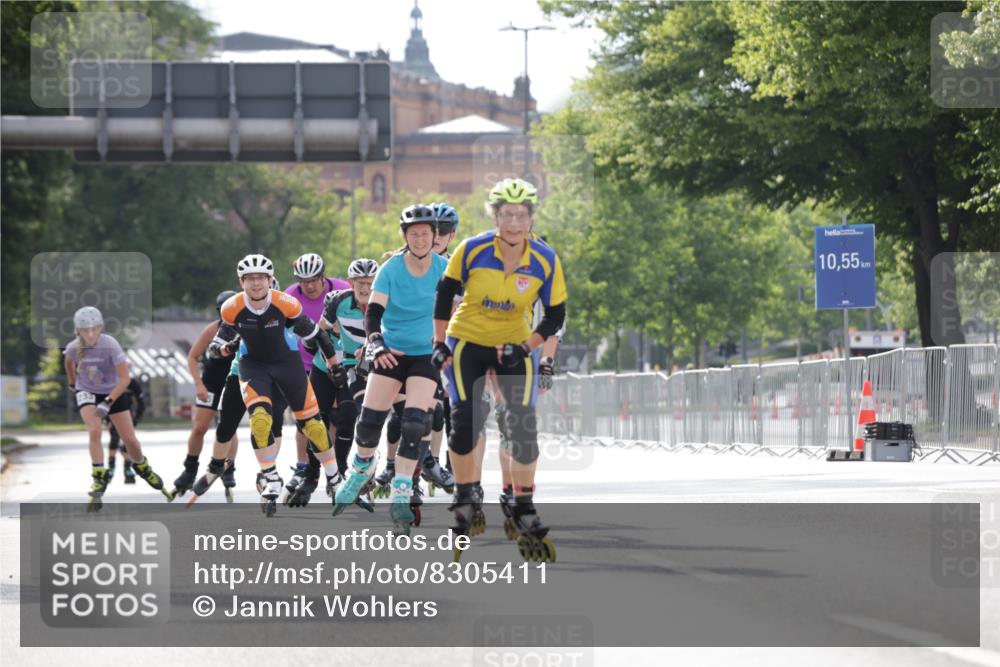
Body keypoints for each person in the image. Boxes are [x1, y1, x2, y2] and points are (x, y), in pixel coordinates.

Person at [432, 178, 566, 561]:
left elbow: (556, 315)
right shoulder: (471, 249)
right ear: (495, 216)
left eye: (521, 215)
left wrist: (527, 347)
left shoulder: (544, 259)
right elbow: (444, 295)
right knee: (466, 420)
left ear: (530, 218)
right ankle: (465, 497)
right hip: (467, 342)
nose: (513, 222)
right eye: (506, 214)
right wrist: (438, 342)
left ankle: (523, 507)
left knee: (521, 425)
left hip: (515, 346)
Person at [192, 254, 342, 516]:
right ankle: (271, 477)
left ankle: (334, 478)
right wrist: (224, 348)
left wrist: (335, 365)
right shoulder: (232, 307)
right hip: (254, 366)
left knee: (314, 427)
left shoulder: (286, 303)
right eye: (250, 278)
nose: (256, 283)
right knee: (260, 420)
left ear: (271, 280)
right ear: (241, 282)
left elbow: (317, 335)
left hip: (287, 363)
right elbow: (216, 346)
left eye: (261, 278)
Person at [332, 204, 448, 536]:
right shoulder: (391, 269)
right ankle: (360, 469)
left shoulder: (444, 268)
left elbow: (456, 311)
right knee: (368, 426)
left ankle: (400, 493)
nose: (421, 239)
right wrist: (376, 342)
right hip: (391, 352)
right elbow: (373, 312)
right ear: (405, 236)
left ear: (434, 236)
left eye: (426, 234)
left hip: (425, 354)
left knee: (414, 423)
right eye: (414, 234)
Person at [64, 306, 173, 511]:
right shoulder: (72, 347)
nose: (90, 334)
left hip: (113, 391)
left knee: (129, 439)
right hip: (87, 391)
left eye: (94, 329)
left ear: (100, 328)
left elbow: (125, 379)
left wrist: (108, 402)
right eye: (85, 330)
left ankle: (142, 465)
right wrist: (73, 383)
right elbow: (69, 361)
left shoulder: (110, 345)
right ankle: (98, 475)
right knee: (94, 430)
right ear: (78, 331)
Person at [283, 253, 350, 496]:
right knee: (305, 419)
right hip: (304, 362)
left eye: (313, 280)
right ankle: (303, 466)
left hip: (333, 361)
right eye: (303, 281)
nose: (309, 286)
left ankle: (331, 470)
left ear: (323, 276)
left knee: (332, 416)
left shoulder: (342, 289)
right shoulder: (291, 294)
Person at [172, 290, 239, 497]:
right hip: (211, 384)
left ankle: (228, 468)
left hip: (233, 382)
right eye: (222, 311)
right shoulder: (213, 329)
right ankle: (190, 468)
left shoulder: (247, 327)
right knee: (199, 427)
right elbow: (192, 357)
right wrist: (199, 385)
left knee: (228, 429)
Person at [104, 377, 145, 485]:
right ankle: (111, 469)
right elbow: (102, 400)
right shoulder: (109, 381)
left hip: (127, 415)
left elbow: (141, 402)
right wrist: (105, 419)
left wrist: (136, 419)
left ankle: (127, 469)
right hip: (111, 414)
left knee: (127, 442)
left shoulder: (132, 383)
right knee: (114, 438)